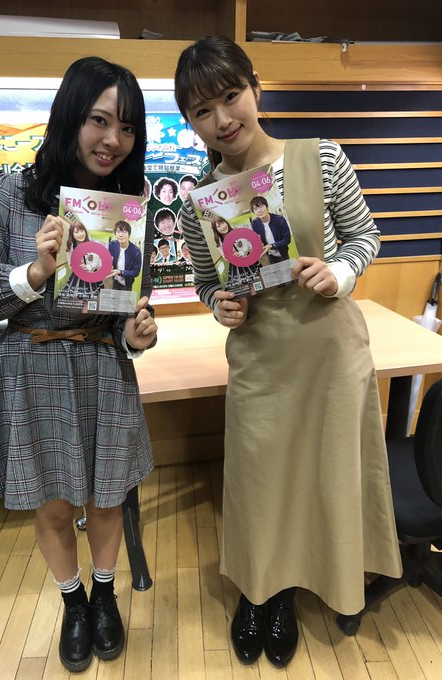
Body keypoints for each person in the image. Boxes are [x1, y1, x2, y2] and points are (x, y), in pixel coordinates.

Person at [175, 36, 402, 669]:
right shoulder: (201, 201)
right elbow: (206, 281)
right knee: (258, 480)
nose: (223, 119)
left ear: (256, 88)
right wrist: (219, 304)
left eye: (231, 96)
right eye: (202, 111)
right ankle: (262, 591)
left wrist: (339, 272)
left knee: (326, 475)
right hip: (260, 356)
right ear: (190, 122)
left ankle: (309, 585)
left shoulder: (321, 157)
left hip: (330, 351)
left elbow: (364, 237)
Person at [0, 56, 158, 674]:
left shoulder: (127, 205)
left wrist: (136, 334)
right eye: (100, 120)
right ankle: (73, 604)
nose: (113, 139)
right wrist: (35, 272)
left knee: (107, 498)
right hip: (32, 366)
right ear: (70, 116)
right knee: (53, 504)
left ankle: (104, 595)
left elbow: (128, 305)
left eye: (127, 127)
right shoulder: (10, 196)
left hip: (104, 369)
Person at [249, 196, 291, 263]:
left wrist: (272, 245)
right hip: (270, 256)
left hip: (283, 254)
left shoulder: (279, 219)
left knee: (287, 269)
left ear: (267, 206)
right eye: (255, 209)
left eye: (261, 206)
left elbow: (287, 239)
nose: (259, 211)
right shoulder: (255, 224)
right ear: (253, 212)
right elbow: (258, 240)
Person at [108, 220, 143, 290]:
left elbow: (136, 272)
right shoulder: (112, 245)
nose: (121, 235)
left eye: (124, 232)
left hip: (127, 285)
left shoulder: (136, 251)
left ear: (129, 234)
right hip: (115, 281)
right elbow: (109, 260)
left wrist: (121, 272)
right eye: (118, 232)